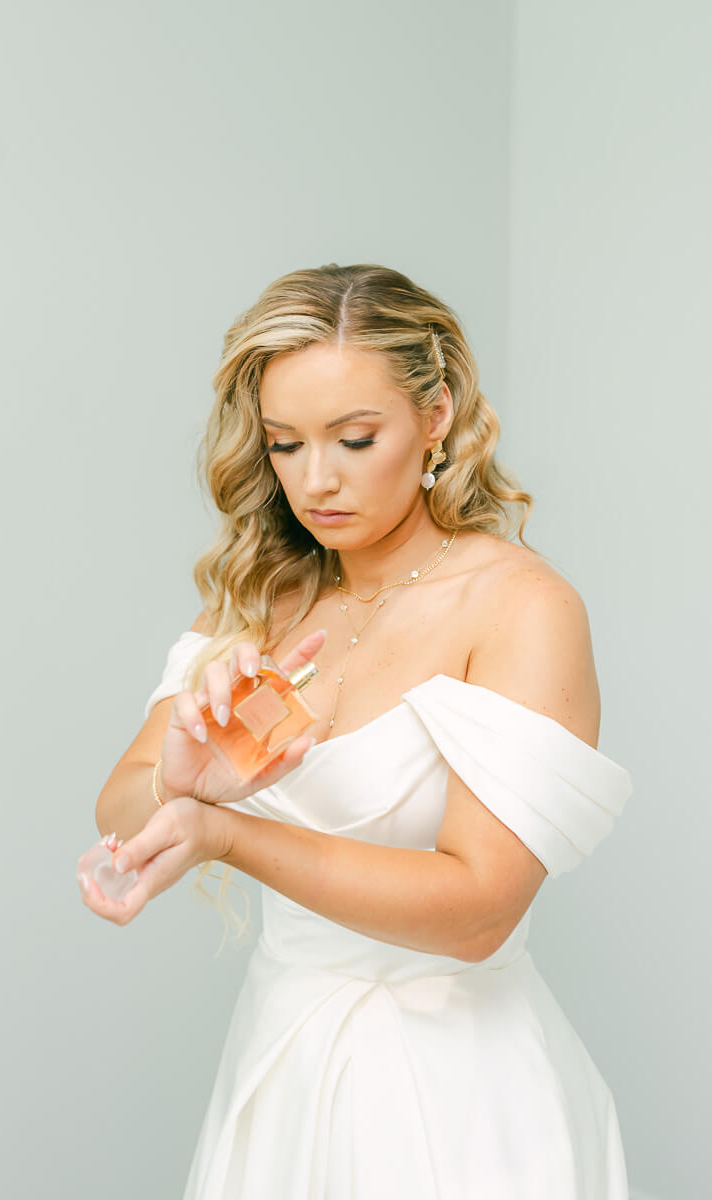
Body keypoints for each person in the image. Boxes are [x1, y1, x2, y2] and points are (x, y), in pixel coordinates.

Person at [77, 263, 633, 1198]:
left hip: (462, 1092)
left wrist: (230, 833)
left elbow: (479, 908)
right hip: (280, 1068)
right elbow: (123, 809)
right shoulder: (270, 598)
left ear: (438, 415)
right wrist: (183, 783)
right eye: (286, 444)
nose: (316, 480)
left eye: (355, 437)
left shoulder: (519, 607)